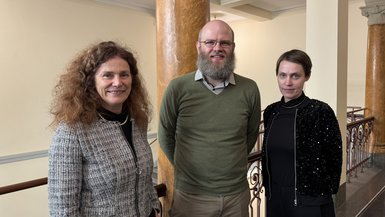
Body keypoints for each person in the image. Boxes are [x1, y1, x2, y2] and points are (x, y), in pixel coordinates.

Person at [158, 20, 261, 217]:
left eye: (225, 43)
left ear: (233, 47)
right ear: (199, 46)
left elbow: (249, 135)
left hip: (236, 196)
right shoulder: (177, 88)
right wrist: (187, 168)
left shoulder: (249, 89)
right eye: (210, 42)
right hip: (191, 197)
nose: (217, 48)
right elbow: (165, 136)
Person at [48, 41, 160, 217]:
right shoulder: (72, 131)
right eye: (107, 75)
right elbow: (63, 208)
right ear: (91, 81)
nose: (117, 82)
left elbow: (144, 179)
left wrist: (155, 206)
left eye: (124, 75)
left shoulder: (138, 120)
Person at [261, 49, 342, 217]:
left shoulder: (319, 111)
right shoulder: (271, 112)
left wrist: (322, 194)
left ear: (307, 76)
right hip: (275, 199)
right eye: (282, 75)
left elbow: (334, 156)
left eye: (295, 76)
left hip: (310, 201)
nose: (288, 82)